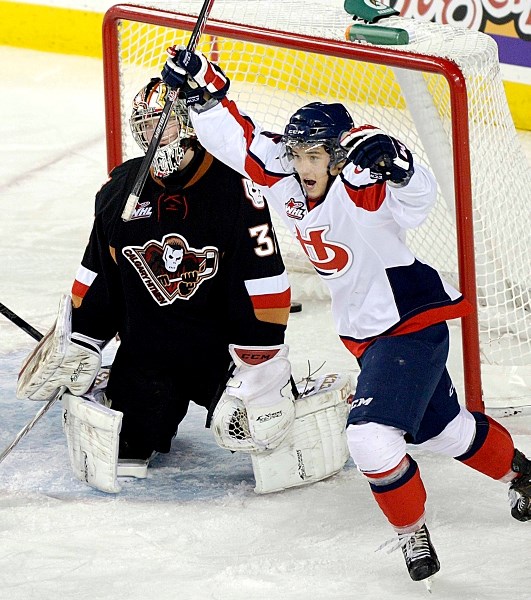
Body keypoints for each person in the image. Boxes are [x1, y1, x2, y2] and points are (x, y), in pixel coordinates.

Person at [161, 49, 531, 582]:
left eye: (315, 157)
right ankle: (523, 475)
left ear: (338, 158)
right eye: (298, 155)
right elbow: (242, 143)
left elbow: (413, 197)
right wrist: (203, 90)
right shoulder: (290, 182)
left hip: (408, 326)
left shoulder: (365, 188)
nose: (303, 167)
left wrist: (398, 165)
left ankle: (413, 533)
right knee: (445, 432)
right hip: (368, 336)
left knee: (369, 438)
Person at [16, 77, 295, 486]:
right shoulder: (120, 190)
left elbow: (264, 282)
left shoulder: (235, 187)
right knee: (123, 456)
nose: (153, 137)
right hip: (147, 355)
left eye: (163, 126)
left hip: (218, 355)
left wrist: (260, 362)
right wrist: (82, 339)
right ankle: (127, 394)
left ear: (189, 127)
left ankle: (285, 398)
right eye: (145, 127)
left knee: (270, 433)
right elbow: (97, 273)